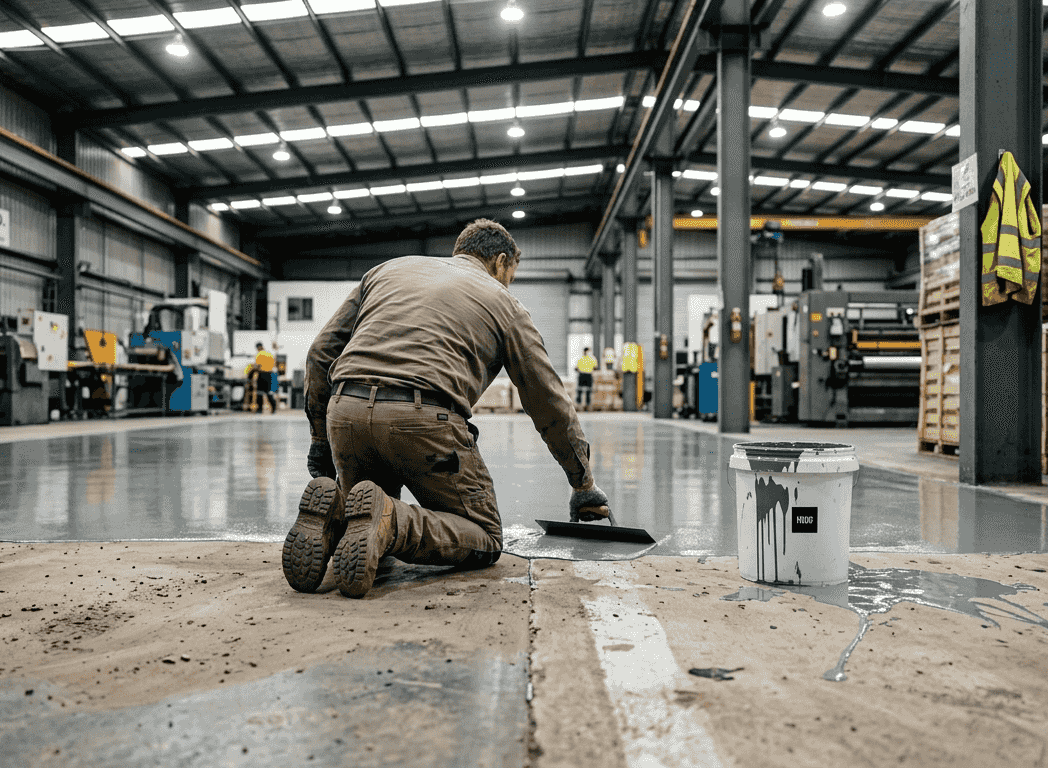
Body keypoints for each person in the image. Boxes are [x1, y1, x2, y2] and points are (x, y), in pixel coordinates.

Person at [283, 218, 611, 598]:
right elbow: (546, 397)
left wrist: (320, 442)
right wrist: (582, 482)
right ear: (501, 261)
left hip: (346, 413)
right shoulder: (503, 301)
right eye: (511, 275)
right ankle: (392, 520)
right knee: (484, 537)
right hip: (422, 421)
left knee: (365, 516)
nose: (508, 283)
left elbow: (321, 353)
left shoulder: (386, 271)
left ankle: (336, 519)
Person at [255, 342, 277, 414]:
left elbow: (258, 366)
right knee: (269, 392)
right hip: (269, 374)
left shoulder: (259, 354)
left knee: (260, 393)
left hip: (262, 374)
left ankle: (259, 410)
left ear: (258, 347)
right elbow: (274, 365)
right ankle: (273, 408)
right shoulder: (269, 354)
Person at [574, 347, 597, 411]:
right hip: (587, 375)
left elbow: (576, 368)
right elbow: (595, 367)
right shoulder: (591, 358)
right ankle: (585, 406)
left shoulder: (581, 358)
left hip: (583, 375)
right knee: (584, 391)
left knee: (583, 391)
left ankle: (583, 406)